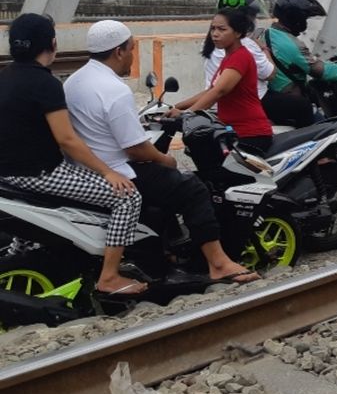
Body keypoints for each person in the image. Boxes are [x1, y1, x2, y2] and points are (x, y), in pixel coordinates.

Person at [65, 21, 259, 285]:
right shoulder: (115, 90)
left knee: (164, 192)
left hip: (87, 170)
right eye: (131, 49)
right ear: (119, 52)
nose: (133, 56)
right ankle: (218, 263)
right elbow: (135, 148)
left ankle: (166, 255)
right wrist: (165, 159)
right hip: (121, 171)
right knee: (192, 187)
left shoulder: (75, 81)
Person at [0, 14, 144, 295]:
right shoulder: (45, 83)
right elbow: (67, 139)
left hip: (7, 174)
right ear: (53, 43)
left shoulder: (5, 77)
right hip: (39, 174)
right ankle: (110, 277)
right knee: (128, 198)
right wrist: (108, 171)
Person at [169, 9, 273, 152]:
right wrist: (176, 107)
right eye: (213, 28)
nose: (215, 34)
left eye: (222, 29)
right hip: (232, 131)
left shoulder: (240, 57)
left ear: (237, 33)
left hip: (250, 134)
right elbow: (211, 90)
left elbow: (220, 91)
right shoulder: (228, 58)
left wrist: (187, 114)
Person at [257, 0, 337, 128]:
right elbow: (320, 71)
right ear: (295, 18)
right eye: (304, 18)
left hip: (272, 98)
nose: (305, 23)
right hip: (290, 102)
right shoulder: (291, 45)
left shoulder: (266, 34)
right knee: (328, 130)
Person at [204, 0, 273, 101]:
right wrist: (264, 49)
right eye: (252, 16)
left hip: (217, 103)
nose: (254, 20)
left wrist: (181, 108)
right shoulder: (246, 45)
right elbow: (270, 75)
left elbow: (212, 90)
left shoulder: (211, 42)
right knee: (301, 106)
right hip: (251, 101)